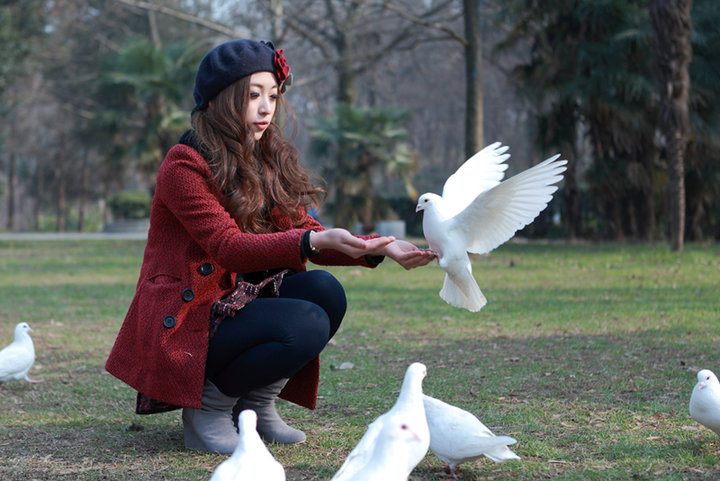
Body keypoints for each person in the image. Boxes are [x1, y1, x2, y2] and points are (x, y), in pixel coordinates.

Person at [105, 39, 435, 455]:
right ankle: (207, 410)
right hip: (191, 319)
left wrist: (380, 247)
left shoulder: (265, 156)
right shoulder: (184, 163)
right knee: (304, 322)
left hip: (235, 305)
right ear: (221, 100)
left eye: (273, 96)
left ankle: (255, 406)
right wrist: (311, 240)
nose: (266, 108)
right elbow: (228, 246)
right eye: (253, 95)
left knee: (325, 293)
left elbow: (303, 230)